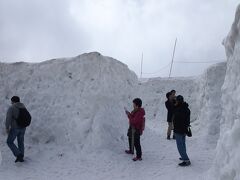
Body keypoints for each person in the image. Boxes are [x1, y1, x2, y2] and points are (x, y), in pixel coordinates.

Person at [5, 96, 27, 163]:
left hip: (15, 128)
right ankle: (21, 156)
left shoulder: (11, 108)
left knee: (9, 142)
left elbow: (8, 118)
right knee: (20, 142)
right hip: (23, 127)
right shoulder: (23, 107)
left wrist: (7, 127)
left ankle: (18, 155)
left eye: (11, 101)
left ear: (13, 101)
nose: (11, 102)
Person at [173, 95, 191, 166]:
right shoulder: (186, 108)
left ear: (179, 101)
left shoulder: (179, 109)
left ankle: (186, 160)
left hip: (179, 129)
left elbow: (177, 118)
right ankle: (184, 156)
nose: (176, 102)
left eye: (177, 101)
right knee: (183, 144)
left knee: (180, 145)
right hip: (184, 129)